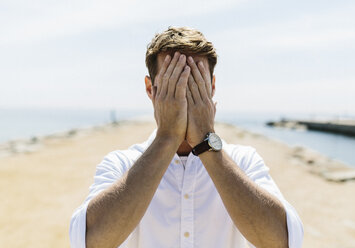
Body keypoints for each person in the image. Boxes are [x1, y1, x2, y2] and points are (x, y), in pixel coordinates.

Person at [70, 26, 304, 248]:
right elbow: (88, 241)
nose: (184, 94)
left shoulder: (244, 161)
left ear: (211, 86)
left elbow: (283, 241)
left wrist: (206, 141)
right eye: (173, 84)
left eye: (195, 83)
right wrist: (166, 138)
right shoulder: (121, 165)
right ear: (150, 89)